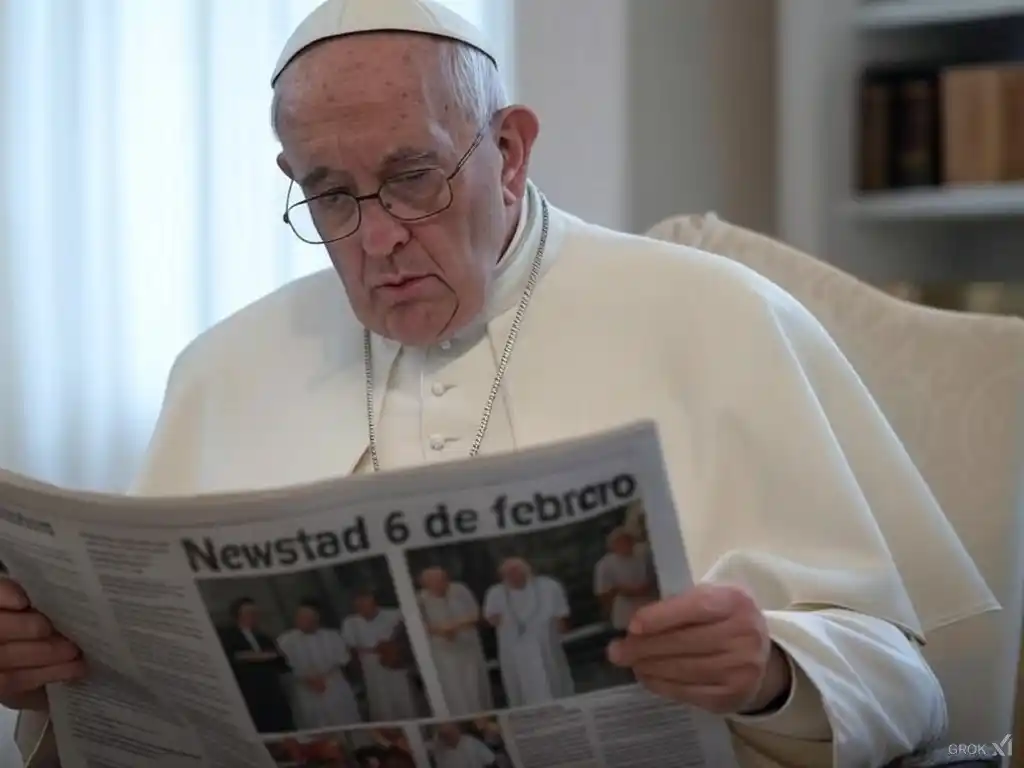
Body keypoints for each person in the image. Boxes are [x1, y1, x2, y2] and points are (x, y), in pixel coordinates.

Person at [2, 0, 999, 765]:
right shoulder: (221, 369)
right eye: (330, 194)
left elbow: (912, 686)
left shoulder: (712, 313)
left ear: (509, 151)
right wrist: (52, 685)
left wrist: (770, 673)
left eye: (413, 176)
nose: (379, 237)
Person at [482, 558, 574, 707]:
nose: (513, 576)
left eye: (516, 571)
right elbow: (491, 619)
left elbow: (561, 615)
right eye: (508, 574)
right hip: (514, 650)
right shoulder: (496, 593)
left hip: (546, 644)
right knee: (521, 689)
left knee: (552, 681)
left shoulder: (548, 586)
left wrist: (561, 631)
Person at [417, 567, 493, 716]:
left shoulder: (460, 589)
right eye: (433, 582)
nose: (440, 584)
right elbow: (418, 625)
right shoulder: (420, 599)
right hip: (443, 651)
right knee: (452, 688)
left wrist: (455, 626)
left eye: (442, 580)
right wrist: (440, 631)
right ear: (425, 584)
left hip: (467, 647)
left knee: (473, 686)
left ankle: (483, 721)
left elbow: (476, 614)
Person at [276, 599, 363, 730]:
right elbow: (283, 666)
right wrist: (308, 680)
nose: (300, 620)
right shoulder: (285, 640)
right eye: (299, 616)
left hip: (332, 685)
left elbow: (342, 660)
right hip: (304, 688)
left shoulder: (333, 636)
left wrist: (322, 678)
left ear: (316, 619)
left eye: (305, 617)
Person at [218, 597, 296, 734]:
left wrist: (273, 656)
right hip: (249, 691)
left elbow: (280, 660)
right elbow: (231, 656)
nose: (253, 616)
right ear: (238, 615)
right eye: (249, 613)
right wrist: (259, 656)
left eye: (255, 613)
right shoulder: (228, 635)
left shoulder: (263, 637)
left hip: (272, 692)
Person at [341, 592, 420, 722]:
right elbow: (350, 650)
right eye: (358, 605)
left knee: (406, 701)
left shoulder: (395, 615)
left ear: (374, 601)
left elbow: (409, 637)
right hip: (371, 670)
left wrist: (394, 649)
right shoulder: (350, 623)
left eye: (365, 602)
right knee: (382, 706)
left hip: (395, 666)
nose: (362, 607)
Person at [593, 527, 657, 634]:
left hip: (649, 605)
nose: (625, 544)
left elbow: (654, 576)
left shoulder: (644, 554)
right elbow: (602, 594)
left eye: (627, 540)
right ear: (613, 546)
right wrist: (621, 592)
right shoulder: (604, 565)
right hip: (624, 614)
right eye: (620, 542)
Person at [431, 723, 497, 768]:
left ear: (457, 731)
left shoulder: (471, 742)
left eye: (450, 734)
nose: (448, 737)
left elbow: (490, 761)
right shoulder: (439, 750)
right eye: (443, 735)